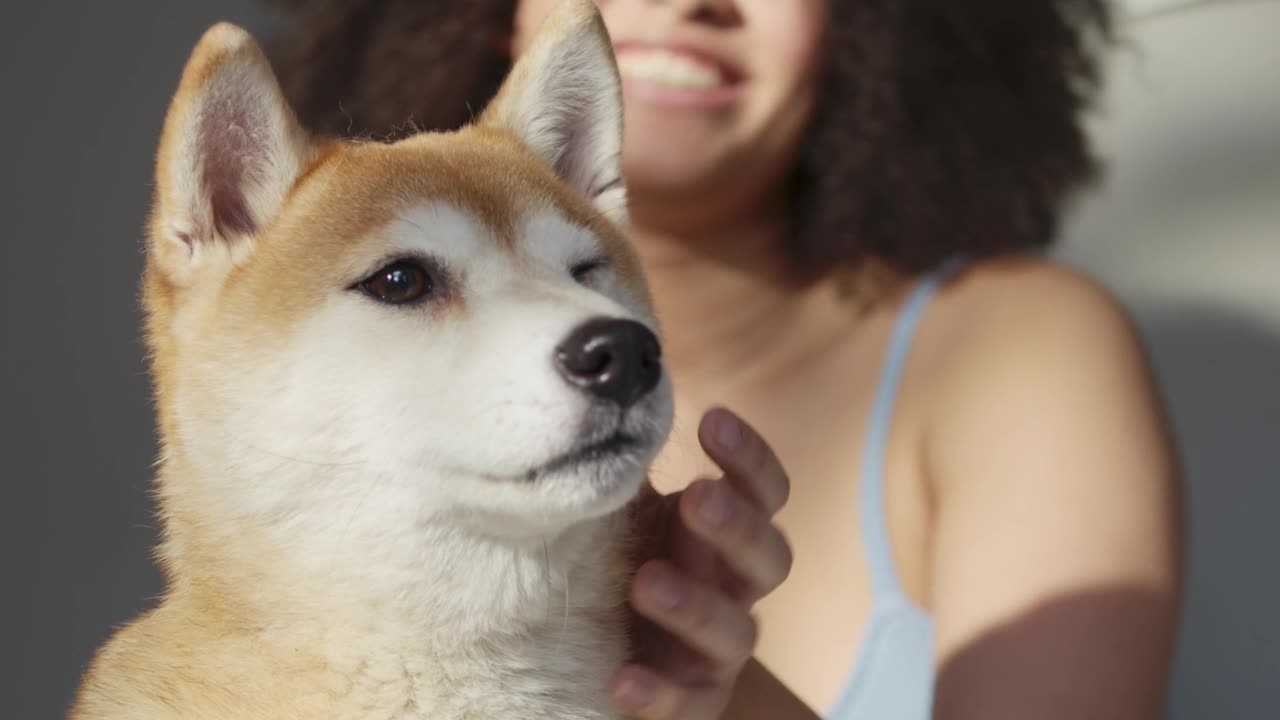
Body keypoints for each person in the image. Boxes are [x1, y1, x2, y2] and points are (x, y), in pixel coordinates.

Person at [264, 0, 1185, 718]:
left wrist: (726, 702)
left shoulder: (1014, 352)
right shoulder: (330, 395)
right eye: (405, 287)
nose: (687, 2)